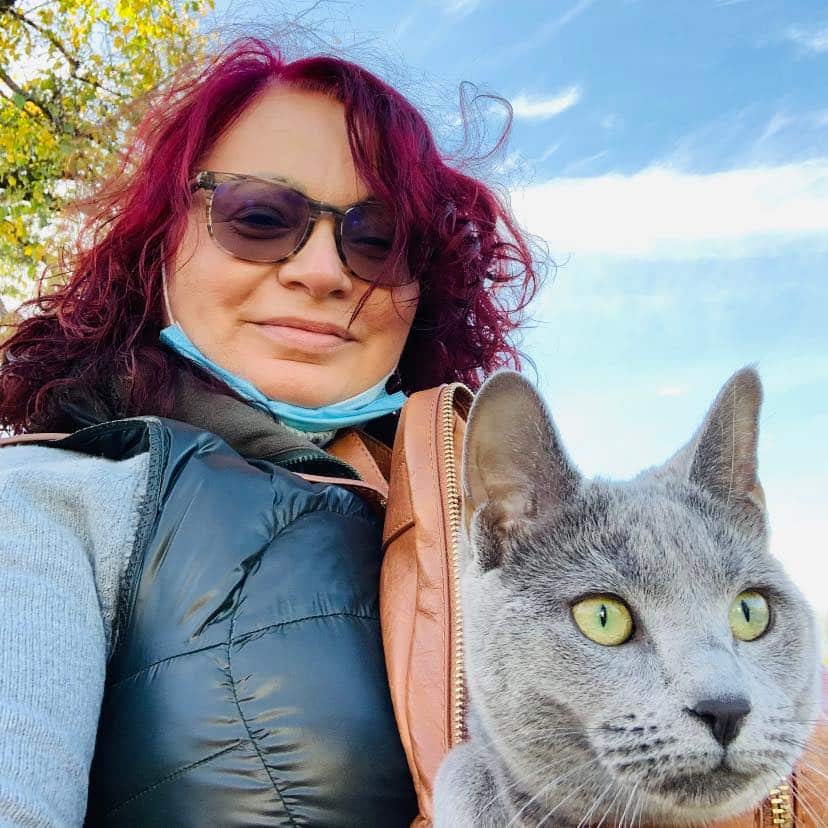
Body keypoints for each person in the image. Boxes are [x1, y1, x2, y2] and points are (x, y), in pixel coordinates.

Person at [0, 37, 537, 826]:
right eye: (258, 216)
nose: (322, 271)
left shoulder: (507, 530)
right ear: (160, 250)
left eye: (377, 239)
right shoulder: (54, 498)